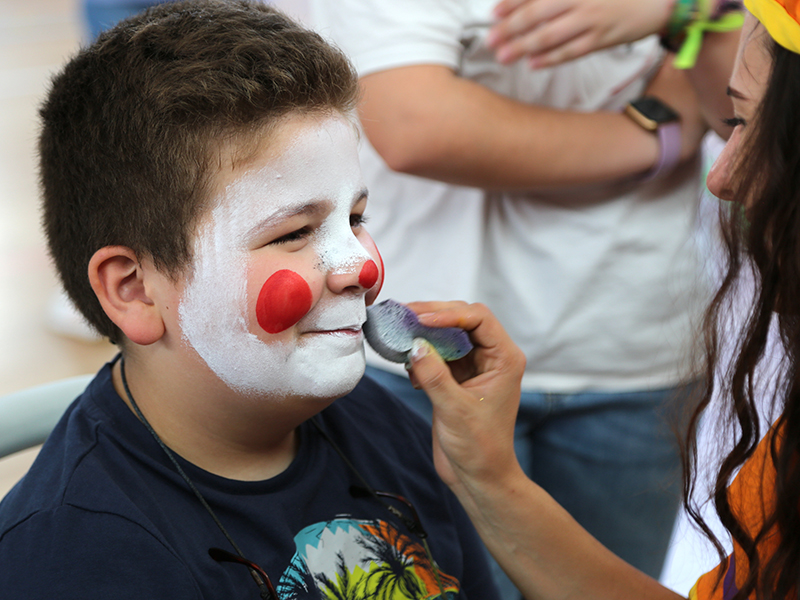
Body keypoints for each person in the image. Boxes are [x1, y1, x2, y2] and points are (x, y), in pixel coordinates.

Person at [0, 3, 499, 598]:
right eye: (293, 232)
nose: (361, 267)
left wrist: (495, 480)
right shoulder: (77, 561)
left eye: (356, 217)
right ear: (134, 290)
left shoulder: (384, 423)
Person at [309, 0, 740, 593]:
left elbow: (741, 108)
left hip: (633, 350)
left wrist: (685, 8)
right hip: (419, 353)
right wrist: (649, 137)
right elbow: (417, 128)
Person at [405, 2, 800, 598]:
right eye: (735, 122)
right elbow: (417, 126)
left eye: (746, 128)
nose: (721, 179)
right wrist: (488, 477)